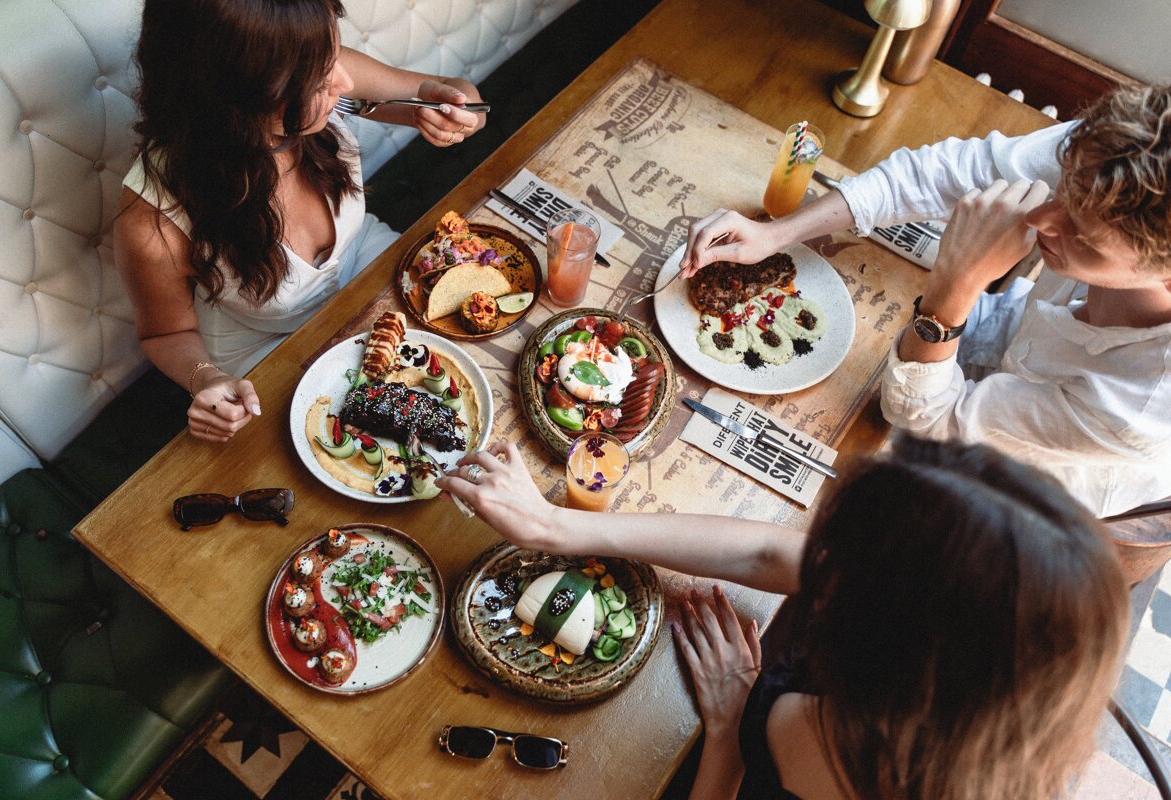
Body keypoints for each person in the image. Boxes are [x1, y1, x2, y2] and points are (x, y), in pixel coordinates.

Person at [435, 436, 1128, 800]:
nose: (823, 573)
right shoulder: (1002, 644)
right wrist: (561, 529)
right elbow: (773, 551)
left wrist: (729, 741)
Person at [676, 84, 1171, 518]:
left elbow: (921, 417)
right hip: (1013, 337)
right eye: (1062, 185)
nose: (1039, 217)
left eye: (1082, 236)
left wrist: (954, 285)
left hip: (1026, 488)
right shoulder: (1121, 149)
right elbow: (943, 174)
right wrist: (778, 232)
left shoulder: (1137, 407)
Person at [114, 0, 487, 443]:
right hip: (268, 341)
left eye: (333, 54)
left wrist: (459, 108)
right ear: (242, 99)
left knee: (473, 371)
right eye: (318, 78)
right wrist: (205, 380)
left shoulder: (310, 62)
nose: (345, 82)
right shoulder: (150, 220)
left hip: (369, 263)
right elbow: (165, 331)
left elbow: (452, 95)